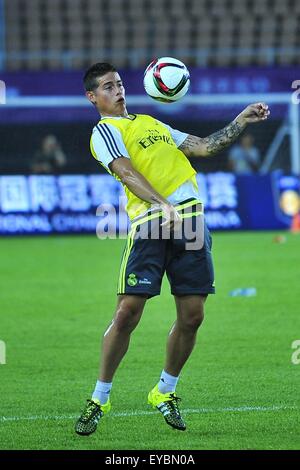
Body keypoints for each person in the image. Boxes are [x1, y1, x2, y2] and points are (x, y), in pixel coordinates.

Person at [75, 63, 269, 435]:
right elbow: (127, 171)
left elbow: (203, 146)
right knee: (128, 312)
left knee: (193, 315)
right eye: (107, 86)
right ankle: (99, 398)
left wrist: (241, 119)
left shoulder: (153, 124)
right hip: (150, 223)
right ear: (92, 97)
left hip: (191, 221)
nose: (117, 90)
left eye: (118, 83)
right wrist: (162, 203)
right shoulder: (104, 131)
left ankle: (164, 392)